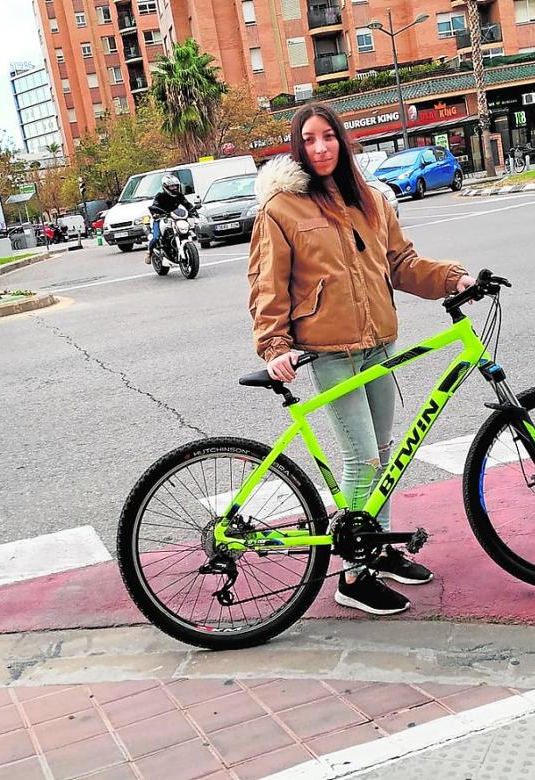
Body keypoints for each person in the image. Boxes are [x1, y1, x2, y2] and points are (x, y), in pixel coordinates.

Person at [247, 103, 473, 616]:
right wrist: (275, 346)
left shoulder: (371, 200)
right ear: (298, 147)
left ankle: (377, 548)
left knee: (385, 457)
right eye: (310, 139)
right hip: (330, 352)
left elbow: (401, 263)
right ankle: (353, 575)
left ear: (343, 142)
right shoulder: (282, 209)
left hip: (379, 345)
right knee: (362, 460)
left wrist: (453, 279)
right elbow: (267, 284)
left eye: (329, 137)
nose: (321, 147)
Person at [146, 174, 195, 264]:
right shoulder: (160, 196)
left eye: (176, 186)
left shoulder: (179, 195)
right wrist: (155, 212)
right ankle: (149, 253)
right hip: (161, 217)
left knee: (186, 230)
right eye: (172, 186)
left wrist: (193, 211)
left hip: (174, 217)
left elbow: (187, 204)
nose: (175, 188)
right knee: (156, 237)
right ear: (166, 187)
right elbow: (154, 206)